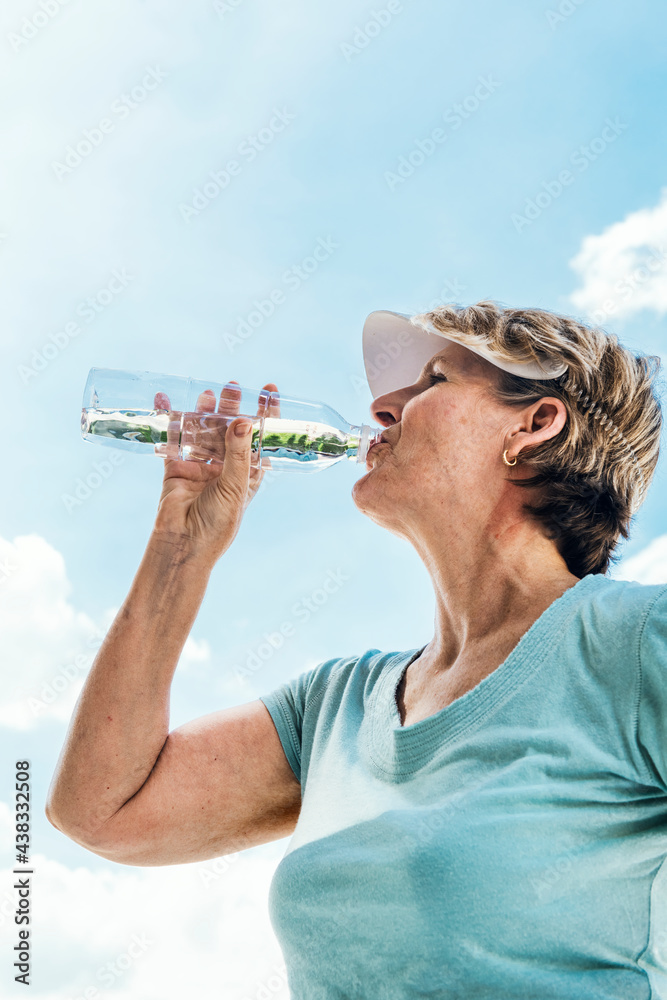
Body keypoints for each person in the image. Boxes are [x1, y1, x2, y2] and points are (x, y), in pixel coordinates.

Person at [46, 301, 667, 998]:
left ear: (534, 423)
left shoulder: (635, 643)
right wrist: (180, 550)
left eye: (433, 379)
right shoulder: (338, 705)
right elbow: (101, 810)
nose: (379, 410)